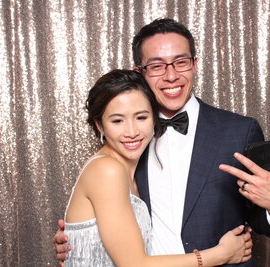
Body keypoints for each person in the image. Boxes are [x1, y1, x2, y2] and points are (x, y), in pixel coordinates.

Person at [54, 19, 270, 266]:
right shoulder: (128, 143)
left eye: (181, 62)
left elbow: (257, 217)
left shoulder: (240, 130)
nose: (171, 76)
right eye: (157, 66)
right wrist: (83, 241)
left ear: (194, 65)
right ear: (140, 73)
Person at [62, 69, 252, 266]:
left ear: (155, 117)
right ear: (100, 125)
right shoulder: (107, 170)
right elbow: (133, 264)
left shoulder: (131, 168)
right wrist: (220, 254)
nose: (132, 132)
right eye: (117, 120)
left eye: (141, 117)